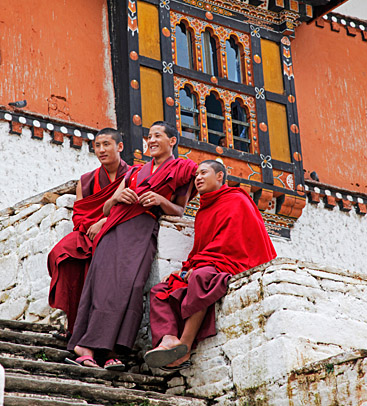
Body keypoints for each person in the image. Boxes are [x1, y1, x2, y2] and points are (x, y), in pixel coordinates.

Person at [66, 121, 197, 370]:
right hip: (115, 229)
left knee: (132, 287)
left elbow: (180, 209)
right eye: (149, 136)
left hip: (143, 229)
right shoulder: (135, 172)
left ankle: (108, 349)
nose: (152, 140)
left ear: (172, 141)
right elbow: (106, 209)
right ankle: (86, 347)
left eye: (158, 135)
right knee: (104, 287)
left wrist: (160, 200)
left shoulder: (182, 169)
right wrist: (116, 197)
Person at [144, 159, 277, 370]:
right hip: (209, 262)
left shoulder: (236, 200)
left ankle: (185, 346)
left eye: (203, 173)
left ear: (220, 176)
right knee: (161, 289)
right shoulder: (203, 211)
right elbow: (201, 248)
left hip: (235, 262)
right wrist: (186, 268)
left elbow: (234, 242)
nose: (197, 178)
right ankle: (168, 339)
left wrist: (196, 268)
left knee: (201, 277)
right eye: (196, 175)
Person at [48, 128, 129, 337]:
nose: (101, 150)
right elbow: (79, 215)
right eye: (98, 146)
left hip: (118, 231)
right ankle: (74, 327)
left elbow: (131, 208)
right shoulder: (86, 181)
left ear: (119, 147)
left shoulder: (133, 175)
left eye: (107, 144)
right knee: (62, 254)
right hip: (88, 233)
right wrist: (90, 227)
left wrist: (104, 222)